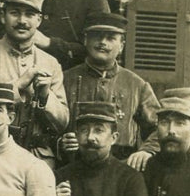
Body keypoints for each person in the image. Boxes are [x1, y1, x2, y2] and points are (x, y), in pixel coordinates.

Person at [0, 0, 70, 162]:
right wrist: (17, 86)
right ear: (3, 16)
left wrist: (45, 96)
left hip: (38, 158)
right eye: (15, 13)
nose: (22, 21)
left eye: (29, 15)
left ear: (39, 20)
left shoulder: (51, 63)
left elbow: (62, 123)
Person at [60, 11, 160, 161]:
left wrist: (146, 150)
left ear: (121, 46)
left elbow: (159, 127)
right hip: (74, 163)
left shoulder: (137, 85)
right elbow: (48, 125)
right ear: (86, 40)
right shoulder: (65, 79)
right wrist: (60, 142)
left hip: (122, 165)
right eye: (97, 36)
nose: (103, 43)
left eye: (111, 38)